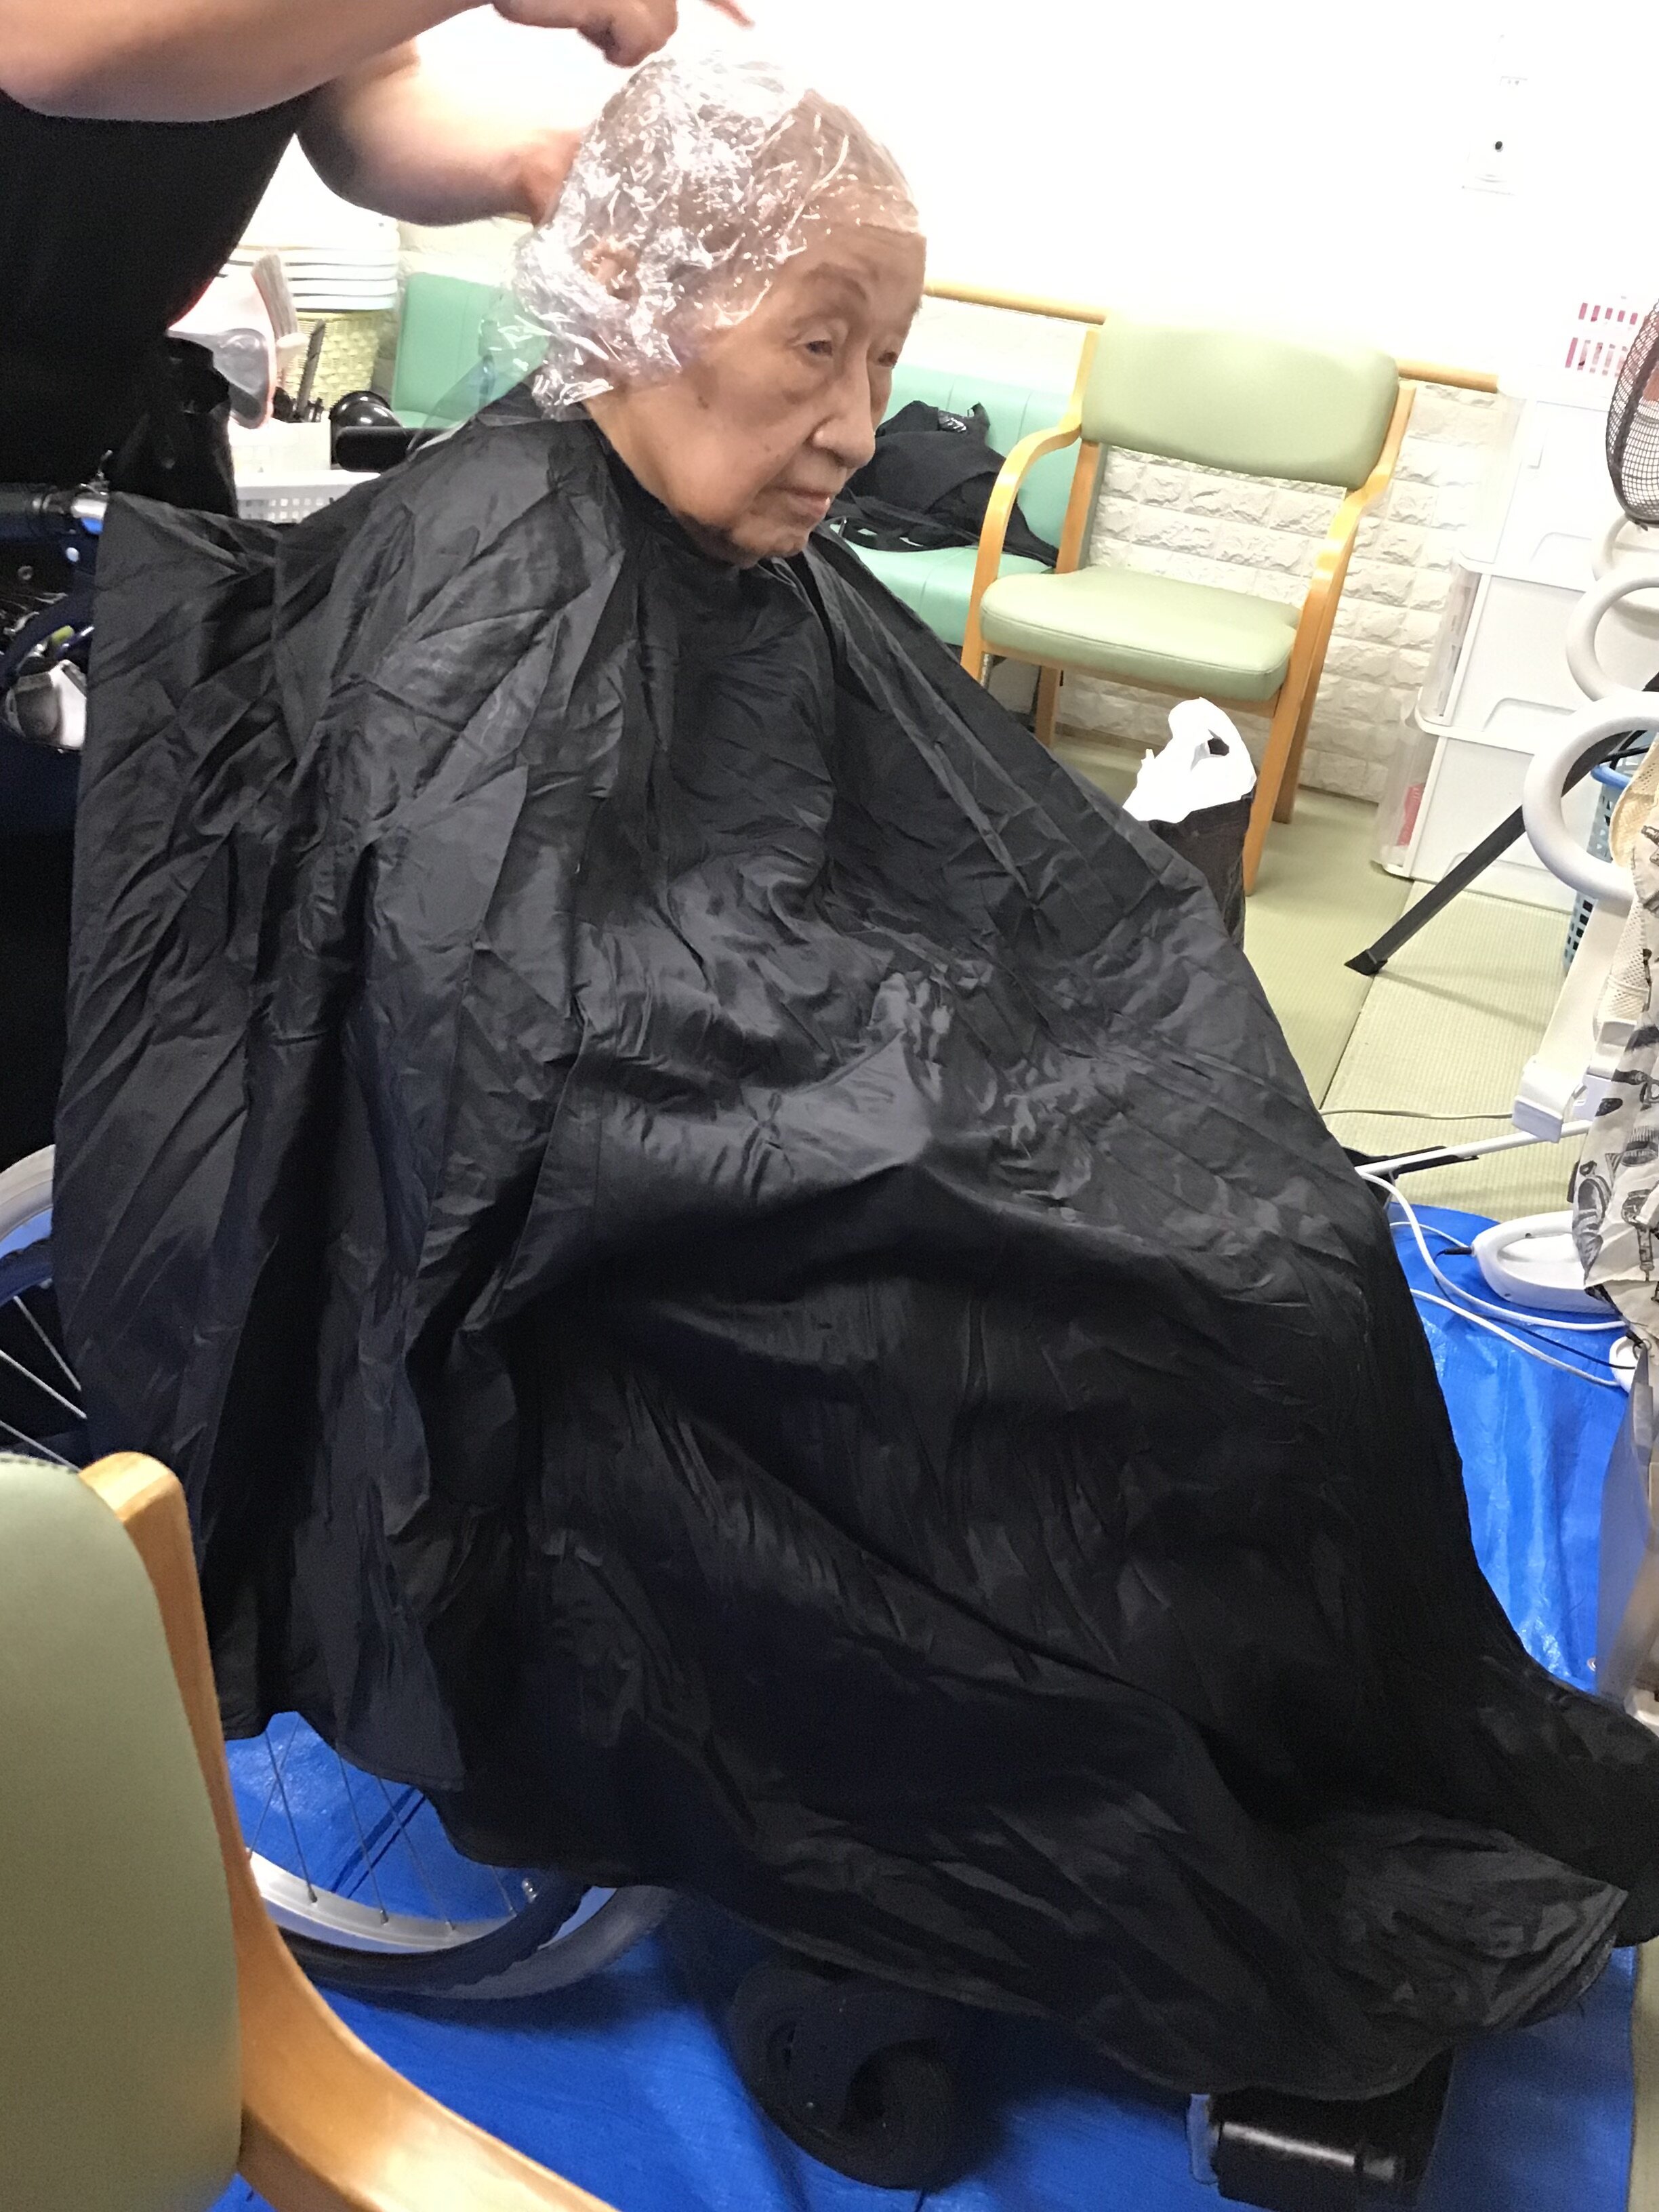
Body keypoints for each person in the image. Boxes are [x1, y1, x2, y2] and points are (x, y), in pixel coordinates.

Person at [55, 52, 1659, 2113]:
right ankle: (1112, 1812)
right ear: (640, 298)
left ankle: (1305, 1761)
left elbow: (961, 890)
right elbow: (519, 1051)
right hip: (650, 1208)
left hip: (820, 1085)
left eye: (885, 360)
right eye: (818, 347)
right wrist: (913, 1135)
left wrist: (1027, 1064)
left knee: (1285, 1250)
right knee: (1203, 1311)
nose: (856, 425)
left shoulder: (740, 563)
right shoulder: (496, 576)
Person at [0, 0, 743, 1168]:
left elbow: (364, 100)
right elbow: (53, 48)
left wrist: (534, 165)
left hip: (93, 452)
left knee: (96, 956)